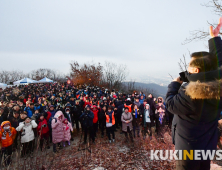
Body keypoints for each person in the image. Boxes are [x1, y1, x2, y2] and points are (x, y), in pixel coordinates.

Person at [166, 18, 222, 170]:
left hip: (188, 151)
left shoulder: (191, 95)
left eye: (189, 68)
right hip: (207, 146)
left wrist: (175, 84)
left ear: (196, 71)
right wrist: (215, 39)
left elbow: (170, 104)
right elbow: (219, 63)